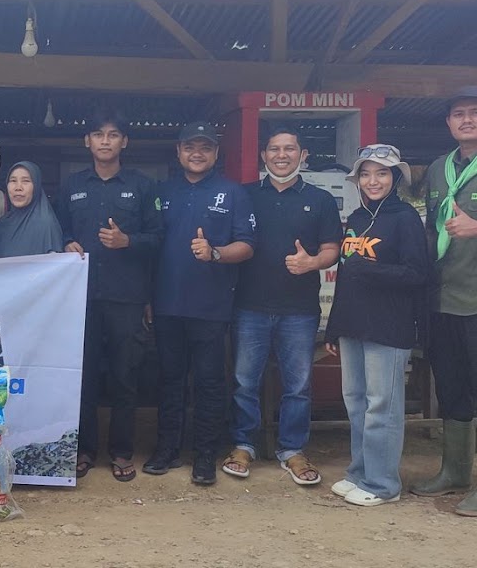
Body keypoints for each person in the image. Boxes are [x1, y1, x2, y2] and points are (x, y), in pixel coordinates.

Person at [223, 128, 341, 485]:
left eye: (290, 149)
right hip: (249, 305)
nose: (281, 155)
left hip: (300, 309)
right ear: (263, 155)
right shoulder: (244, 195)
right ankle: (243, 444)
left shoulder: (320, 200)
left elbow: (332, 248)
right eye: (274, 149)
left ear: (303, 155)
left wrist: (313, 263)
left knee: (298, 385)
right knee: (245, 381)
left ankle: (292, 450)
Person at [145, 122, 255, 486]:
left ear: (216, 153)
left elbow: (247, 245)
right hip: (166, 304)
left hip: (211, 307)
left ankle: (205, 455)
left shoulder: (233, 192)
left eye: (205, 147)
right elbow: (150, 246)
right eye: (190, 146)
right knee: (169, 381)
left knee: (209, 383)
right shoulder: (163, 191)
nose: (197, 153)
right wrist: (148, 297)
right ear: (178, 152)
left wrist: (215, 253)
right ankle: (167, 450)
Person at [54, 112, 161, 482]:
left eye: (113, 135)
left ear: (124, 142)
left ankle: (121, 451)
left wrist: (127, 241)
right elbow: (59, 230)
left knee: (124, 376)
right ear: (87, 141)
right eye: (97, 134)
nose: (105, 141)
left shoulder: (143, 186)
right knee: (81, 376)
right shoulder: (71, 186)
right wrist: (65, 242)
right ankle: (84, 449)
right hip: (80, 298)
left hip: (126, 297)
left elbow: (157, 238)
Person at [324, 144, 430, 507]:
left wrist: (371, 271)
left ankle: (384, 484)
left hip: (389, 325)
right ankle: (359, 473)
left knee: (381, 406)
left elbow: (418, 273)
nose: (373, 180)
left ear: (395, 177)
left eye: (382, 173)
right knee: (355, 402)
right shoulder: (355, 218)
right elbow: (346, 277)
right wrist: (334, 326)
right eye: (366, 174)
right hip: (354, 323)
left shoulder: (405, 218)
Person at [412, 87, 477, 515]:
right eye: (459, 114)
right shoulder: (438, 169)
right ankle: (454, 471)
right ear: (449, 123)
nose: (467, 120)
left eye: (474, 113)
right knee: (452, 389)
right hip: (443, 300)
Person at [0, 161, 64, 258]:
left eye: (25, 181)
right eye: (13, 181)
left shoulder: (46, 225)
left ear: (36, 186)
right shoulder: (0, 226)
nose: (18, 188)